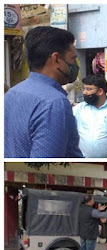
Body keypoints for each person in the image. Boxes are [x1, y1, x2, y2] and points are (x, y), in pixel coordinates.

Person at [5, 26, 83, 158]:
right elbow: (46, 171)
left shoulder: (12, 94)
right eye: (72, 58)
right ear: (56, 59)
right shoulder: (54, 103)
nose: (75, 65)